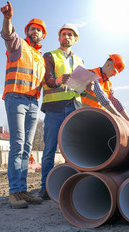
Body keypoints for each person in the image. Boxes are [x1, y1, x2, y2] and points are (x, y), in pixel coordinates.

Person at [0, 1, 47, 208]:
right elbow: (8, 34)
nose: (35, 31)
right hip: (16, 98)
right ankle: (14, 193)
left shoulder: (41, 59)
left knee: (27, 148)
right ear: (27, 31)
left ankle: (22, 190)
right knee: (17, 145)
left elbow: (46, 82)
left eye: (39, 30)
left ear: (42, 35)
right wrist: (8, 18)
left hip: (33, 103)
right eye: (32, 28)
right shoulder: (19, 44)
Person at [38, 23, 93, 199]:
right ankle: (45, 188)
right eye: (64, 34)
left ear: (75, 39)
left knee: (74, 150)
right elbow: (47, 79)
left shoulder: (80, 61)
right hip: (55, 108)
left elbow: (80, 89)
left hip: (74, 108)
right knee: (49, 150)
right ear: (59, 37)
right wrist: (58, 80)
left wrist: (88, 87)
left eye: (70, 34)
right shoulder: (50, 56)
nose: (67, 37)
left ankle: (72, 186)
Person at [81, 54, 129, 122]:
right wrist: (119, 117)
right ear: (108, 65)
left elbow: (116, 103)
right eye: (114, 71)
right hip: (82, 117)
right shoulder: (92, 74)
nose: (114, 75)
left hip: (96, 119)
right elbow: (102, 98)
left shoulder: (108, 84)